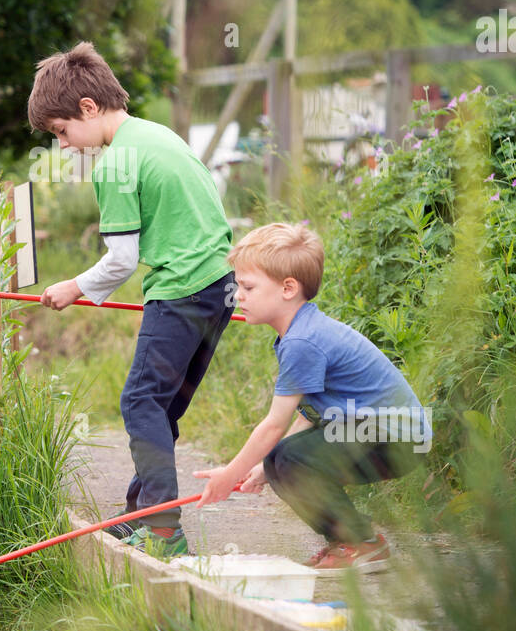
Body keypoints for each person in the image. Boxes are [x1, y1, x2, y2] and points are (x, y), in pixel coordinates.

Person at [27, 41, 236, 557]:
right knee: (160, 408)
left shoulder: (115, 163)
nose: (66, 145)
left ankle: (164, 530)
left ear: (88, 109)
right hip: (221, 286)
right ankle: (137, 516)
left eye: (61, 131)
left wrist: (72, 288)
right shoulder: (157, 135)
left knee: (140, 402)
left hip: (182, 289)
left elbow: (121, 261)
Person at [194, 222, 431, 571]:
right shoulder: (301, 332)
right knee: (281, 461)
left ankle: (362, 543)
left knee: (289, 459)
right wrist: (263, 468)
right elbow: (310, 414)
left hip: (398, 438)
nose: (238, 295)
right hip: (376, 432)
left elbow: (274, 426)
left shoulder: (302, 342)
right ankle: (348, 542)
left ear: (288, 288)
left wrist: (231, 473)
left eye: (247, 286)